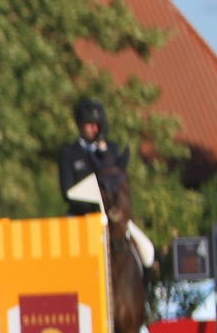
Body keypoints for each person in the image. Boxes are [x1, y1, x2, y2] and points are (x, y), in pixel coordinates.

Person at [59, 97, 153, 267]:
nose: (95, 128)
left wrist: (104, 152)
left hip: (111, 216)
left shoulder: (111, 148)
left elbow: (117, 181)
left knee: (147, 252)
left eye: (98, 124)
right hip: (81, 216)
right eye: (90, 124)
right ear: (80, 125)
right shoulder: (70, 154)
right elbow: (67, 192)